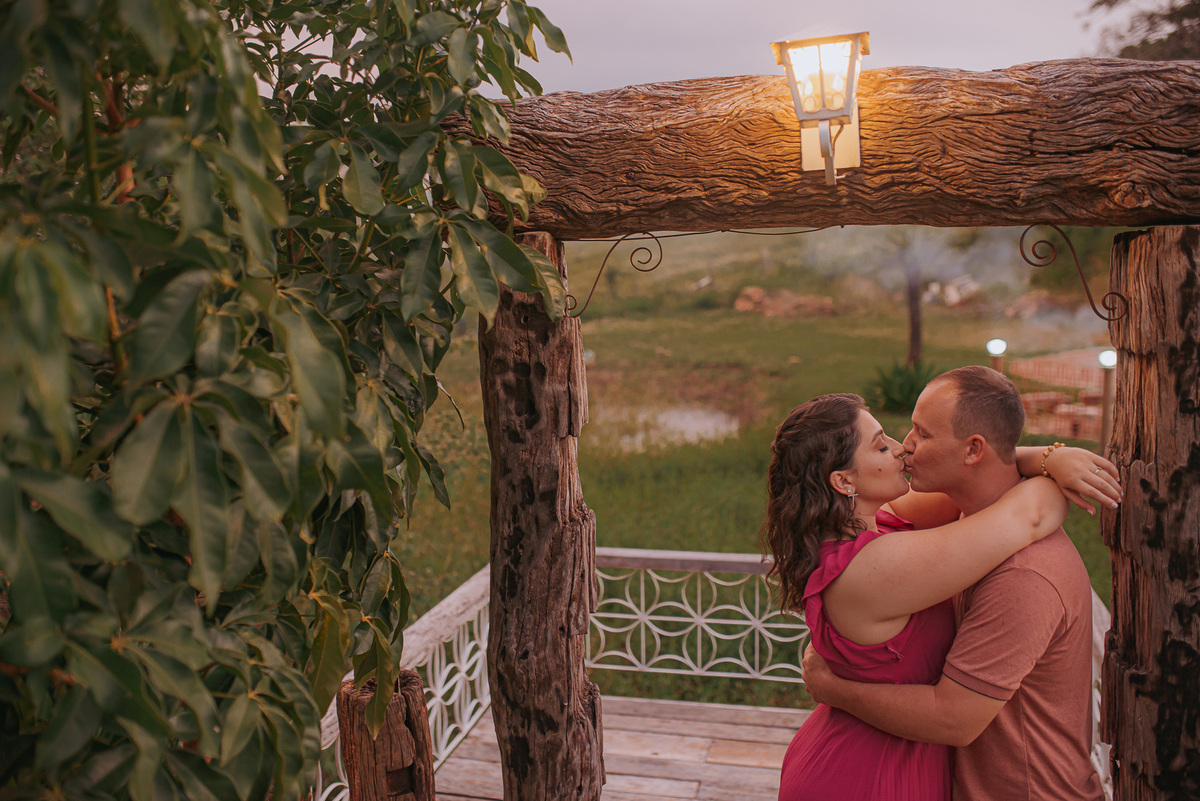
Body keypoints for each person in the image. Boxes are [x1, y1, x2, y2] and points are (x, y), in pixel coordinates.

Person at [762, 385, 1119, 801]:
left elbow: (978, 474)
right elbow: (1033, 513)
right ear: (843, 481)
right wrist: (1054, 461)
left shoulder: (880, 520)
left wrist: (1048, 458)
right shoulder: (875, 568)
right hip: (867, 776)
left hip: (874, 756)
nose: (900, 448)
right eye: (881, 447)